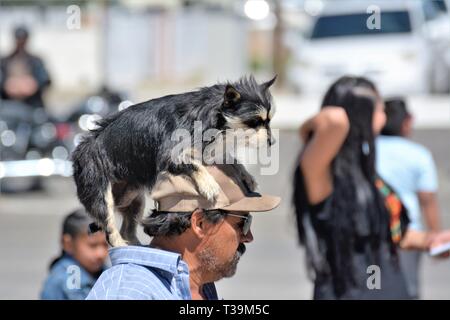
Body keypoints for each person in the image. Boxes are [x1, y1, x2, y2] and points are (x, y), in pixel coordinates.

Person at [292, 76, 437, 300]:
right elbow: (334, 119)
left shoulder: (365, 170)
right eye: (378, 107)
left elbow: (392, 235)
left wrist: (429, 241)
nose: (384, 115)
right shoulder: (322, 172)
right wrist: (307, 130)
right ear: (360, 112)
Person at [86, 165, 280, 300]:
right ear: (200, 223)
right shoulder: (129, 292)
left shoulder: (199, 285)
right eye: (242, 223)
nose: (249, 237)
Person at [376, 98, 442, 298]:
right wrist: (434, 236)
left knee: (372, 288)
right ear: (406, 122)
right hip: (407, 234)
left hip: (372, 235)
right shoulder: (418, 155)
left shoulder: (365, 150)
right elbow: (427, 200)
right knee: (407, 290)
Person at [40, 209, 108, 300]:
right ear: (68, 244)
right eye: (93, 245)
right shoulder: (59, 281)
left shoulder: (108, 274)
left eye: (105, 245)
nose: (101, 253)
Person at [0, 25, 51, 109]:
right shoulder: (4, 61)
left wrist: (33, 84)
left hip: (32, 105)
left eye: (23, 39)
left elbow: (46, 80)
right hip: (8, 105)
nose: (21, 42)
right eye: (19, 39)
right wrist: (8, 85)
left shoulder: (35, 61)